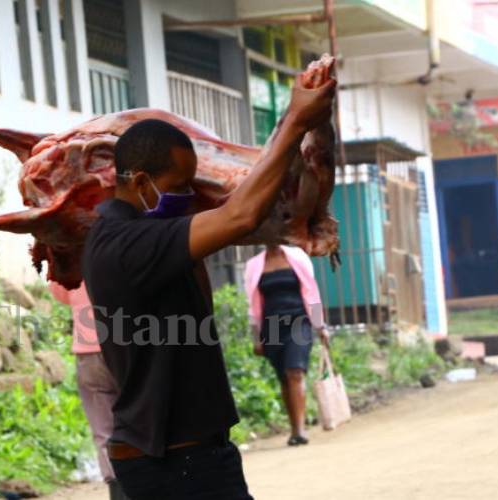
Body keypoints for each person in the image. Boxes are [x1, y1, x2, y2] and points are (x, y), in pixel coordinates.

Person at [82, 74, 336, 499]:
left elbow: (202, 299)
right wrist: (294, 121)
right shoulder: (127, 243)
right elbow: (240, 218)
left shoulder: (144, 236)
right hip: (175, 465)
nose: (187, 198)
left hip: (187, 457)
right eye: (179, 188)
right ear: (141, 183)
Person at [49, 282, 127, 500]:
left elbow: (59, 291)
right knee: (138, 422)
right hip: (125, 348)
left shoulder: (70, 252)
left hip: (88, 355)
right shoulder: (118, 250)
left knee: (104, 432)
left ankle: (119, 492)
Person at [243, 244, 325, 446]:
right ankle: (293, 426)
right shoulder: (254, 265)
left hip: (299, 322)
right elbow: (253, 305)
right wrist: (256, 338)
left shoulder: (297, 257)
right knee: (283, 378)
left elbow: (310, 292)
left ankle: (300, 430)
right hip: (271, 327)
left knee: (295, 372)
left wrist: (320, 325)